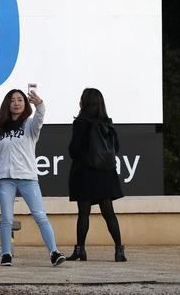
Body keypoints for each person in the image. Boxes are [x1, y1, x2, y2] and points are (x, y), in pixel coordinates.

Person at [0, 88, 66, 267]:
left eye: (20, 99)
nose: (16, 103)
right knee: (6, 218)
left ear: (25, 103)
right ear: (7, 103)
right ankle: (6, 254)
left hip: (28, 178)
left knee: (40, 216)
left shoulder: (30, 125)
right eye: (13, 100)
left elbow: (40, 119)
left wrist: (40, 105)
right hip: (5, 179)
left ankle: (54, 252)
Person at [66, 88, 126, 262]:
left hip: (85, 173)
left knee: (83, 213)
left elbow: (73, 150)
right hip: (105, 174)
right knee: (109, 213)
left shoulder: (81, 123)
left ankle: (81, 250)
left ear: (84, 102)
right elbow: (116, 148)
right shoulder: (107, 123)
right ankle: (119, 250)